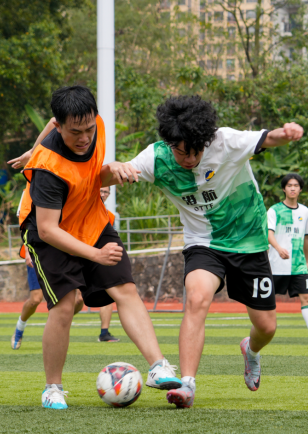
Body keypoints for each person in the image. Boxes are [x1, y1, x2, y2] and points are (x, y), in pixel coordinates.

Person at [110, 95, 304, 408]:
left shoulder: (226, 142)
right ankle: (187, 385)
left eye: (195, 151)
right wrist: (112, 171)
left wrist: (288, 132)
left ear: (205, 141)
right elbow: (113, 173)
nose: (188, 159)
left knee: (267, 327)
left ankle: (251, 350)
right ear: (170, 143)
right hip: (203, 242)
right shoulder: (157, 158)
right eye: (180, 151)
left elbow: (269, 138)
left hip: (249, 242)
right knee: (197, 298)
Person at [16, 85, 181, 410]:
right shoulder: (47, 167)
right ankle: (52, 388)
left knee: (125, 289)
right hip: (50, 236)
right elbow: (48, 229)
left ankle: (158, 366)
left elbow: (92, 177)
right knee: (65, 305)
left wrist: (114, 168)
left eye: (89, 129)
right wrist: (94, 255)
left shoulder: (95, 124)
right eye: (75, 132)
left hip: (91, 220)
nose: (85, 138)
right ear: (59, 126)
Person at [267, 173, 308, 344]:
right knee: (266, 299)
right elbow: (269, 234)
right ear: (284, 189)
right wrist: (278, 248)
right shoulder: (274, 210)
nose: (293, 188)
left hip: (298, 265)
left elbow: (307, 238)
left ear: (300, 189)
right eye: (289, 185)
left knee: (307, 298)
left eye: (296, 186)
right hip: (276, 264)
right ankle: (261, 333)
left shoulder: (305, 211)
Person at [11, 253, 84, 349]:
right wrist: (27, 252)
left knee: (80, 299)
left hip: (65, 255)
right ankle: (19, 328)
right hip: (39, 253)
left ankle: (55, 324)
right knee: (35, 300)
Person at [97, 187, 119, 342]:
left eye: (106, 192)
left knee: (109, 293)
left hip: (101, 258)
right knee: (76, 300)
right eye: (101, 191)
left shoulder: (110, 216)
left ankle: (104, 333)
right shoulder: (80, 209)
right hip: (79, 256)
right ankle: (60, 325)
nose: (103, 194)